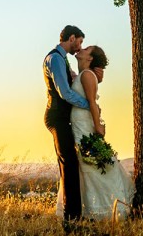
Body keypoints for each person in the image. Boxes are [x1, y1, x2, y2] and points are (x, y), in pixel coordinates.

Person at [68, 45, 135, 219]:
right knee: (84, 164)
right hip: (78, 123)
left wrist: (98, 126)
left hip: (85, 124)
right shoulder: (83, 75)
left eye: (86, 49)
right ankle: (88, 208)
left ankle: (105, 209)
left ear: (89, 58)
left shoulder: (88, 75)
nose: (80, 49)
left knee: (92, 163)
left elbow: (92, 102)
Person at [43, 25, 93, 228]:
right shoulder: (55, 58)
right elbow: (64, 93)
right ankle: (71, 219)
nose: (79, 47)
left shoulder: (61, 59)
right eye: (79, 42)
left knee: (70, 163)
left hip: (63, 117)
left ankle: (72, 216)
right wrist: (88, 105)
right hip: (56, 117)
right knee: (69, 163)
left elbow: (71, 81)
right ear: (71, 38)